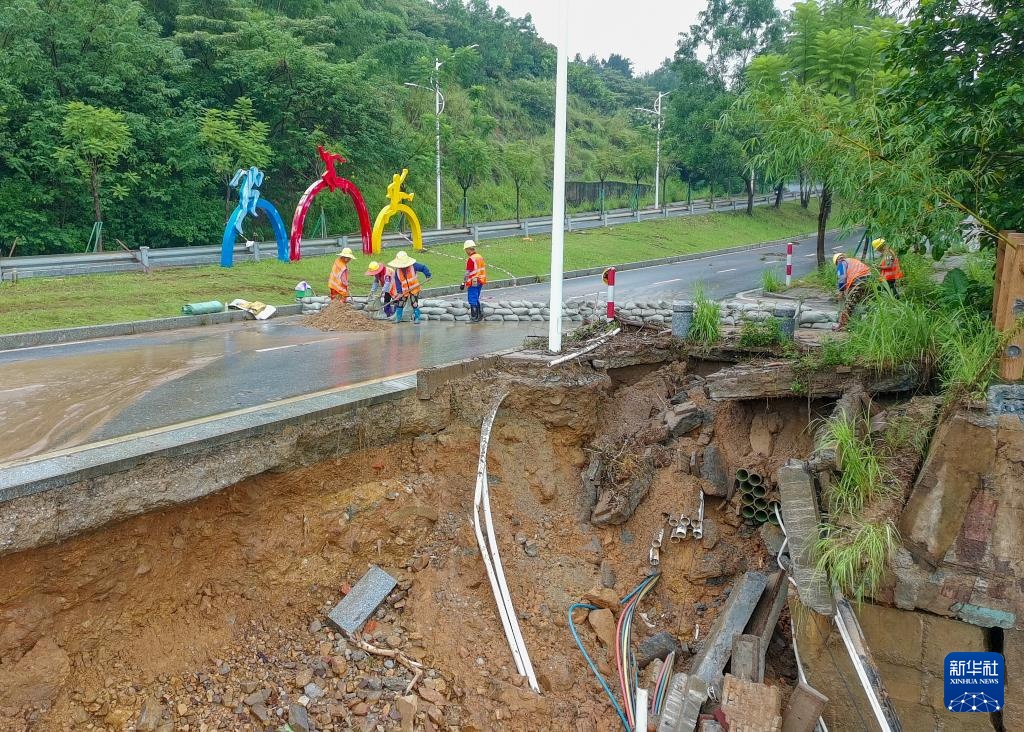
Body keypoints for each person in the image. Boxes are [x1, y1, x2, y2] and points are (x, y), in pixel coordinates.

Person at [387, 251, 432, 324]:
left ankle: (417, 318)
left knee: (414, 303)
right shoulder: (397, 271)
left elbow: (423, 268)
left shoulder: (413, 266)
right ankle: (398, 318)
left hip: (414, 288)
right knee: (400, 303)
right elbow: (398, 283)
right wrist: (399, 292)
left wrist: (428, 275)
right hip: (404, 290)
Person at [834, 252, 871, 330]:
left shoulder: (841, 263)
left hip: (858, 283)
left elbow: (842, 278)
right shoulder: (852, 260)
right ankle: (868, 322)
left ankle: (842, 326)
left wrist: (841, 290)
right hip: (869, 282)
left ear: (837, 261)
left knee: (849, 305)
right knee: (865, 303)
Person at [460, 239, 487, 322]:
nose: (465, 251)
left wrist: (463, 283)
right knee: (476, 297)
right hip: (480, 280)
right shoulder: (479, 257)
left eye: (466, 250)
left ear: (468, 249)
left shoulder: (471, 259)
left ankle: (474, 317)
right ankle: (480, 315)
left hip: (473, 281)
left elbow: (467, 273)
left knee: (472, 298)